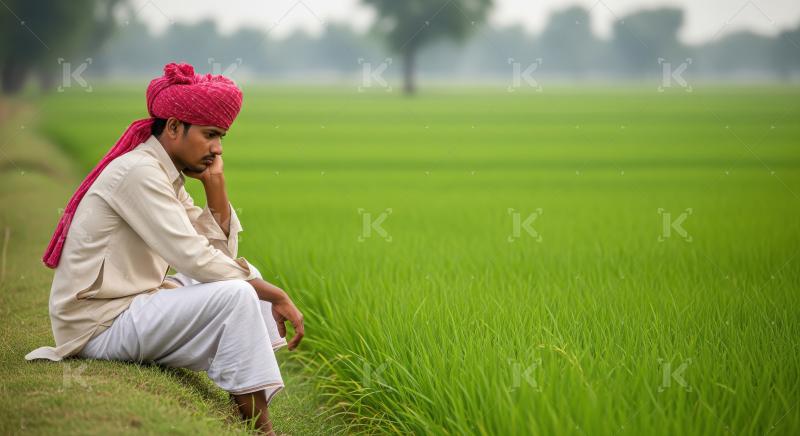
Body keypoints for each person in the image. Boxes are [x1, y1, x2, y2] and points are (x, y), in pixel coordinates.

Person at [25, 62, 304, 435]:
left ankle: (246, 401)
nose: (217, 148)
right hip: (98, 325)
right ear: (173, 127)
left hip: (129, 308)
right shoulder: (139, 173)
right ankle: (263, 429)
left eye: (220, 137)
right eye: (209, 135)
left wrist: (215, 186)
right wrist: (276, 294)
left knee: (245, 278)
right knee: (240, 293)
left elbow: (215, 254)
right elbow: (193, 258)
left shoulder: (161, 174)